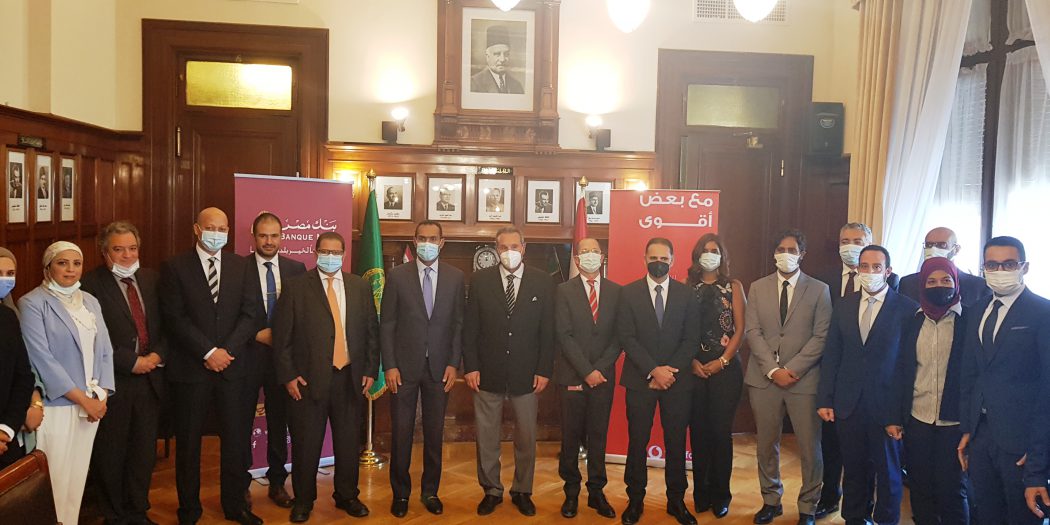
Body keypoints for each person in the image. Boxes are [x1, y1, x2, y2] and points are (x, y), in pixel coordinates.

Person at [160, 207, 261, 525]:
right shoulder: (175, 267)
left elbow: (250, 313)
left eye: (222, 228)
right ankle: (189, 510)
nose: (216, 233)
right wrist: (207, 352)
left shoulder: (241, 265)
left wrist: (226, 351)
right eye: (210, 227)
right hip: (191, 370)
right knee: (189, 444)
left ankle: (235, 505)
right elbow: (174, 317)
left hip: (233, 367)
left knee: (236, 441)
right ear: (196, 229)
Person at [273, 231, 379, 522]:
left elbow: (371, 332)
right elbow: (282, 338)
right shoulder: (296, 287)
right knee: (306, 445)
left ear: (344, 254)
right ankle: (303, 500)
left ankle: (347, 496)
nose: (330, 257)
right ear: (315, 252)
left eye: (336, 252)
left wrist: (370, 370)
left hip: (350, 378)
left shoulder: (359, 286)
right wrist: (289, 376)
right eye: (325, 251)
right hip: (308, 381)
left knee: (347, 444)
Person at [818, 245, 917, 525]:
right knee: (853, 470)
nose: (869, 271)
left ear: (888, 271)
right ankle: (854, 518)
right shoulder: (844, 305)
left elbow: (908, 366)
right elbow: (832, 354)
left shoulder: (907, 309)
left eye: (876, 267)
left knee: (888, 474)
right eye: (864, 266)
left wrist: (899, 415)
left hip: (887, 408)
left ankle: (885, 520)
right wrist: (826, 398)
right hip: (848, 404)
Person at [18, 241, 115, 525]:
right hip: (56, 406)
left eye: (76, 263)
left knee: (76, 481)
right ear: (47, 268)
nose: (70, 269)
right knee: (54, 483)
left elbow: (105, 351)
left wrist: (101, 396)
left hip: (92, 406)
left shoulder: (91, 301)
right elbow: (42, 359)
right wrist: (84, 400)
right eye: (62, 263)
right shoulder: (32, 303)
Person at [80, 221, 168, 525]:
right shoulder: (90, 284)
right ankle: (114, 515)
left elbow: (168, 324)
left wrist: (157, 355)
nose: (127, 255)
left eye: (132, 248)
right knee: (111, 453)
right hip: (114, 381)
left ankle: (137, 511)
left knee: (143, 453)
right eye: (118, 249)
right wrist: (131, 361)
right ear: (105, 253)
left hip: (151, 379)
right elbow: (90, 337)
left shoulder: (152, 279)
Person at [463, 226, 554, 517]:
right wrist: (471, 366)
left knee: (526, 436)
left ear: (524, 248)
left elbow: (548, 331)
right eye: (503, 247)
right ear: (496, 249)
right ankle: (491, 490)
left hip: (527, 375)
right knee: (487, 436)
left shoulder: (542, 281)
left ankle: (522, 490)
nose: (509, 252)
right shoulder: (480, 280)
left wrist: (544, 369)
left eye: (515, 246)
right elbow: (470, 328)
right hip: (487, 372)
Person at [958, 236, 1050, 525]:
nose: (1000, 271)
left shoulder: (1043, 312)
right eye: (992, 265)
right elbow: (970, 374)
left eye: (1008, 264)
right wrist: (968, 427)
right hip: (981, 436)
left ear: (1024, 267)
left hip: (1022, 443)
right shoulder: (976, 310)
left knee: (1022, 517)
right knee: (985, 514)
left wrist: (1038, 461)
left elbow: (1047, 390)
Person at [744, 230, 831, 525]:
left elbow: (821, 336)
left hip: (803, 381)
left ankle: (808, 506)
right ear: (774, 254)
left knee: (809, 447)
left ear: (802, 254)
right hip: (763, 379)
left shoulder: (819, 290)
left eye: (792, 249)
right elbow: (752, 332)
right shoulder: (757, 288)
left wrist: (792, 369)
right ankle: (771, 500)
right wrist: (773, 370)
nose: (785, 254)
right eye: (780, 249)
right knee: (766, 444)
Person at [381, 221, 464, 517]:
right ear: (414, 241)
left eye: (433, 238)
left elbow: (458, 324)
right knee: (401, 432)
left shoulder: (455, 277)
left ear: (442, 242)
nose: (427, 243)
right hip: (403, 369)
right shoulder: (397, 276)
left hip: (440, 368)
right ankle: (401, 494)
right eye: (422, 238)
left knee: (434, 433)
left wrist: (454, 363)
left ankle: (430, 492)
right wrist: (389, 365)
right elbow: (387, 324)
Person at [617, 237, 700, 525]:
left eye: (664, 258)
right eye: (653, 258)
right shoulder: (628, 293)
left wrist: (668, 372)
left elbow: (691, 339)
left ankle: (676, 501)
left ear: (672, 260)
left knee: (675, 442)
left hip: (677, 383)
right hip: (640, 380)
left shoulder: (687, 295)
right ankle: (635, 500)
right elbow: (626, 337)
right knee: (637, 441)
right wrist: (653, 370)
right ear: (644, 259)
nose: (658, 263)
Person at [886, 256, 970, 524]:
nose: (939, 286)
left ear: (956, 282)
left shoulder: (969, 320)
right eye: (931, 281)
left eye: (946, 280)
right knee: (920, 486)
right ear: (922, 284)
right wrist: (894, 416)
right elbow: (900, 371)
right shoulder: (912, 321)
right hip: (917, 417)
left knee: (952, 489)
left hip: (954, 421)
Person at [242, 212, 306, 508]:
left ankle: (278, 481)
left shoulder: (296, 269)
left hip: (283, 359)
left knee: (279, 422)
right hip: (248, 355)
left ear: (282, 236)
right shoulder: (238, 268)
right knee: (241, 421)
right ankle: (241, 482)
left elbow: (302, 314)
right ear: (254, 237)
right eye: (263, 235)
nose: (269, 241)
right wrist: (256, 333)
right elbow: (229, 311)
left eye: (274, 235)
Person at [554, 237, 621, 519]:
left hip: (603, 379)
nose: (590, 255)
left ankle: (596, 492)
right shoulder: (563, 291)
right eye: (585, 251)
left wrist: (599, 370)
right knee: (570, 437)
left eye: (595, 251)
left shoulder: (617, 291)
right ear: (576, 259)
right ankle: (571, 492)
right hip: (572, 375)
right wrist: (586, 371)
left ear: (602, 257)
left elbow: (619, 336)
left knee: (598, 436)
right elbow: (564, 335)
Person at [685, 234, 745, 519]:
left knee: (720, 433)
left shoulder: (734, 286)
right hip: (693, 370)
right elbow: (679, 329)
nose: (709, 254)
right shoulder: (686, 287)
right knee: (698, 433)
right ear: (697, 255)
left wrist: (722, 361)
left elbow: (740, 329)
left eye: (714, 250)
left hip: (726, 370)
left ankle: (721, 495)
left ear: (722, 255)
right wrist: (691, 361)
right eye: (705, 250)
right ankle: (701, 494)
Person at [0, 248, 45, 455]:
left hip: (8, 437)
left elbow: (23, 377)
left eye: (10, 274)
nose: (4, 280)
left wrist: (6, 428)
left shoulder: (8, 317)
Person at [897, 227, 990, 307]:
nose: (933, 249)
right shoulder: (908, 283)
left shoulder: (978, 286)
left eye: (942, 245)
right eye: (929, 245)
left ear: (956, 249)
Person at [470, 25, 524, 94]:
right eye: (497, 54)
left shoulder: (517, 85)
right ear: (488, 57)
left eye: (506, 54)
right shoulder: (474, 83)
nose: (502, 59)